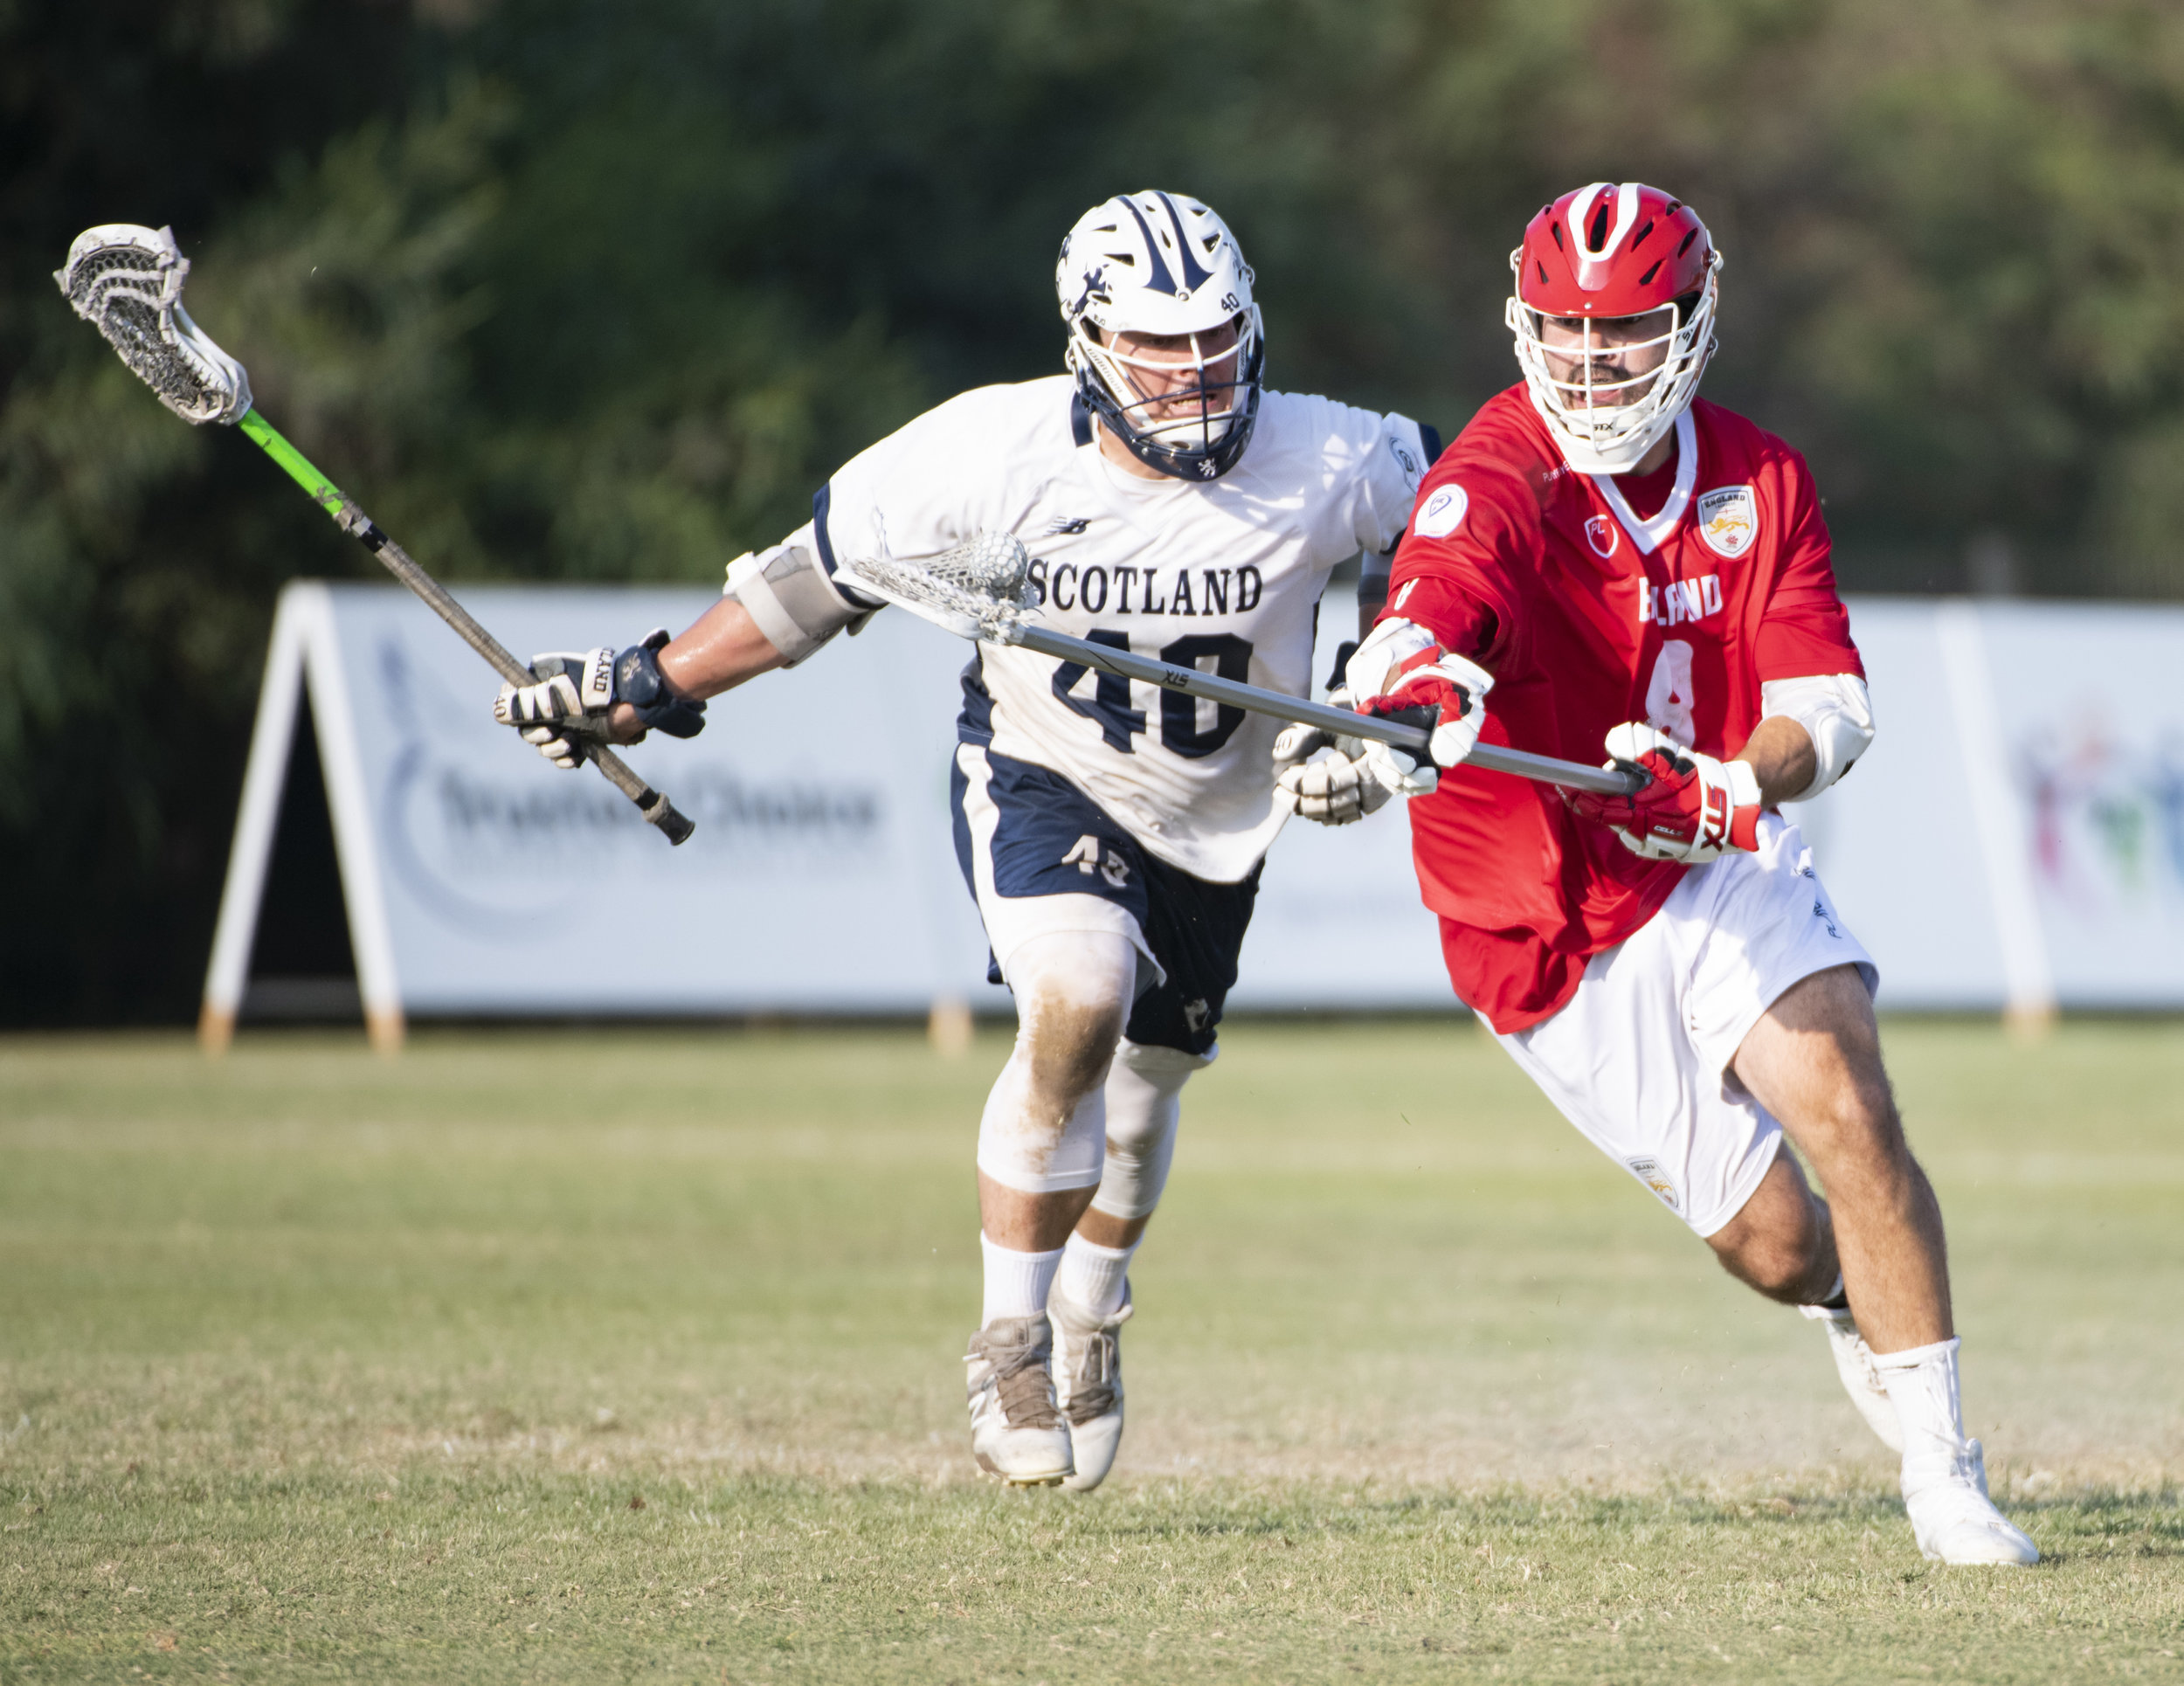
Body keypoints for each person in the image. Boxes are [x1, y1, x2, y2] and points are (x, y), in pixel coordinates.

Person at [489, 190, 1434, 1490]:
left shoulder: (1328, 455)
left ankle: (1093, 1307)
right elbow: (808, 583)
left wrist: (1385, 696)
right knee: (1081, 1003)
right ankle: (1009, 1338)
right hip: (1047, 770)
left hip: (1219, 814)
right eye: (1160, 346)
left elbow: (1459, 529)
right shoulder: (987, 453)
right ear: (1089, 338)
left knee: (1152, 1085)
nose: (1197, 372)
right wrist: (642, 684)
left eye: (1216, 339)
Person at [1274, 181, 2039, 1566]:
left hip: (1708, 857)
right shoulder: (1495, 473)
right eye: (1561, 332)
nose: (1587, 364)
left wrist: (1743, 778)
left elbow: (1835, 707)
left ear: (1690, 328)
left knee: (1847, 1102)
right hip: (1535, 924)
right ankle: (1841, 1305)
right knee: (1772, 1244)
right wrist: (1388, 730)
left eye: (1622, 335)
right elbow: (1430, 624)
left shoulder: (1762, 478)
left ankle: (1945, 1467)